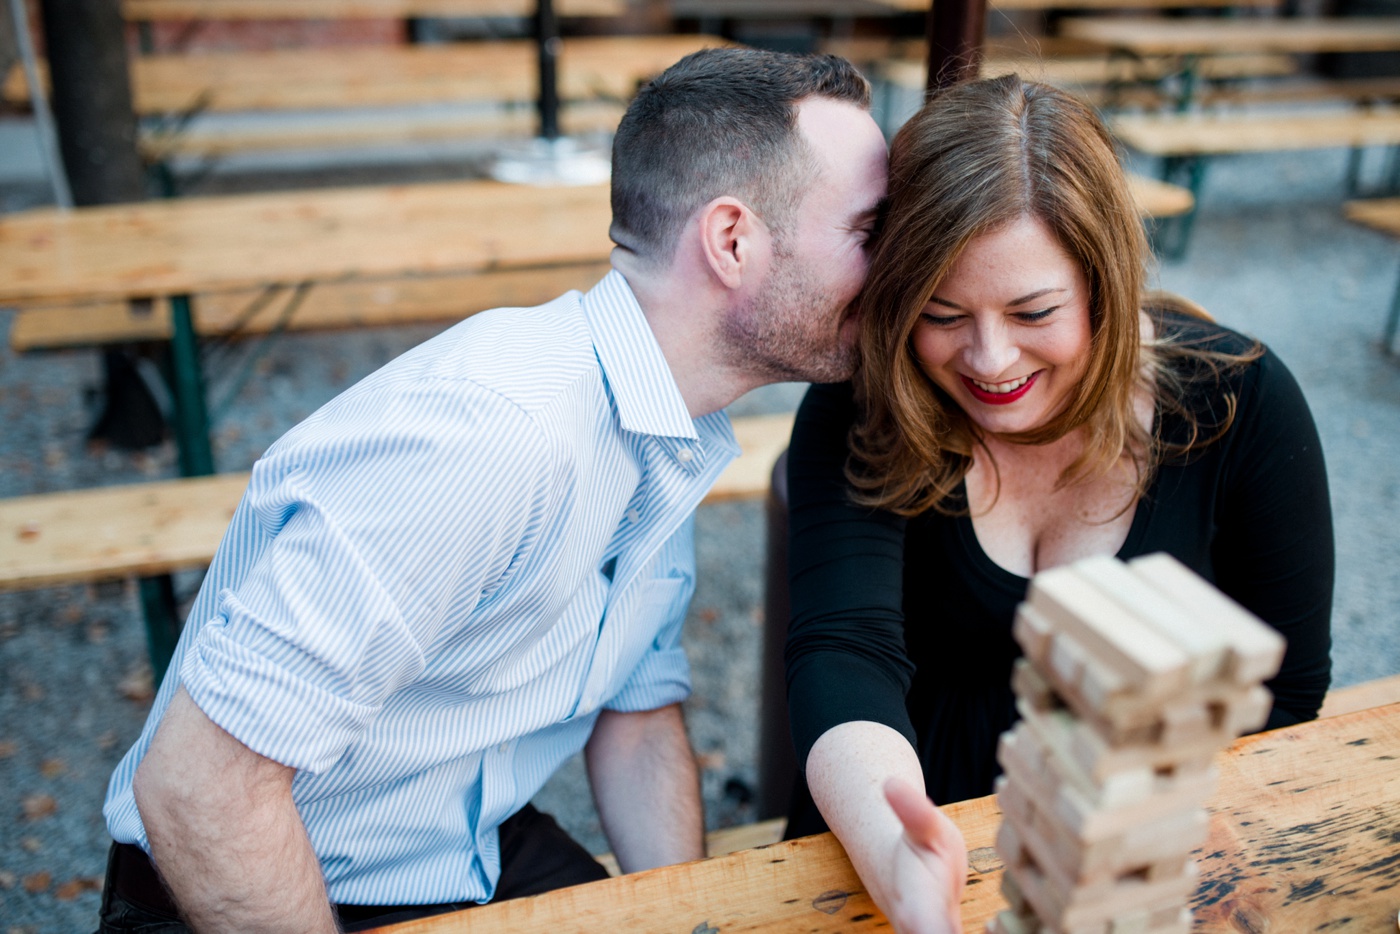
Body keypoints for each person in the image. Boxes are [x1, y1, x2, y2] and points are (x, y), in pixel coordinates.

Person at [97, 47, 889, 934]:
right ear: (732, 240)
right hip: (254, 884)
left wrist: (689, 918)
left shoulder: (669, 416)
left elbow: (635, 714)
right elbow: (198, 787)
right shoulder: (490, 434)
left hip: (458, 848)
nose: (896, 269)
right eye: (867, 232)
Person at [782, 74, 1333, 934]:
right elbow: (842, 649)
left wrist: (1122, 855)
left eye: (1034, 310)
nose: (989, 359)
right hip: (895, 822)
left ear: (1104, 286)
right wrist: (900, 852)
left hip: (1144, 855)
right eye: (942, 313)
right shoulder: (863, 400)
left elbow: (1287, 693)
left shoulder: (1240, 402)